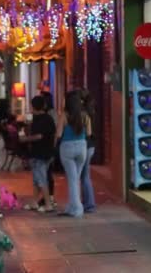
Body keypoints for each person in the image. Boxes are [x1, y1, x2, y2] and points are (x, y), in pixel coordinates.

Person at [55, 90, 90, 218]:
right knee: (76, 179)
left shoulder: (64, 115)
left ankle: (77, 209)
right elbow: (89, 133)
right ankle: (71, 206)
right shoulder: (85, 115)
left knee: (72, 180)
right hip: (82, 147)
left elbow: (58, 134)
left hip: (67, 148)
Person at [21, 96, 56, 213]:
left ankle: (48, 204)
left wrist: (26, 139)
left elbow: (39, 136)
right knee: (36, 179)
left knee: (41, 179)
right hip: (44, 152)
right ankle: (34, 202)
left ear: (33, 106)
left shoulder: (42, 120)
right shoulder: (47, 118)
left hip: (41, 153)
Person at [38, 91, 57, 208]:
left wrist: (53, 147)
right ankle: (45, 197)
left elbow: (54, 133)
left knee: (48, 173)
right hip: (44, 146)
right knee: (43, 173)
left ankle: (49, 197)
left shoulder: (51, 114)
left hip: (48, 146)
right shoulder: (45, 114)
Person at [81, 90, 97, 213]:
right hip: (90, 145)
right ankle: (87, 202)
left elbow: (88, 133)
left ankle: (90, 204)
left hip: (85, 145)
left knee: (85, 176)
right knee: (85, 175)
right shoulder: (92, 112)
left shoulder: (84, 114)